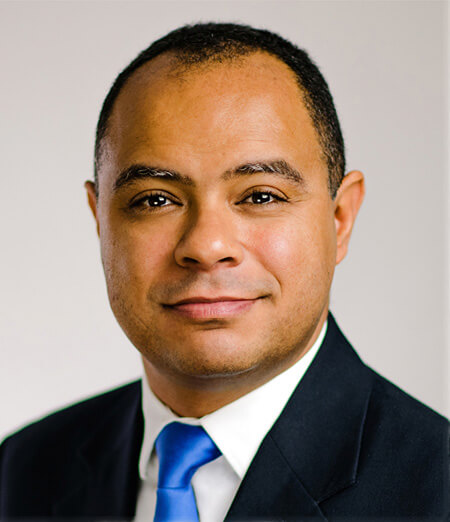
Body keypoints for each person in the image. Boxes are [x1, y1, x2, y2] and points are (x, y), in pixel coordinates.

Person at [0, 22, 448, 521]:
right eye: (154, 199)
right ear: (99, 220)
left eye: (261, 196)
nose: (206, 246)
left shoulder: (436, 489)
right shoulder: (20, 472)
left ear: (340, 219)